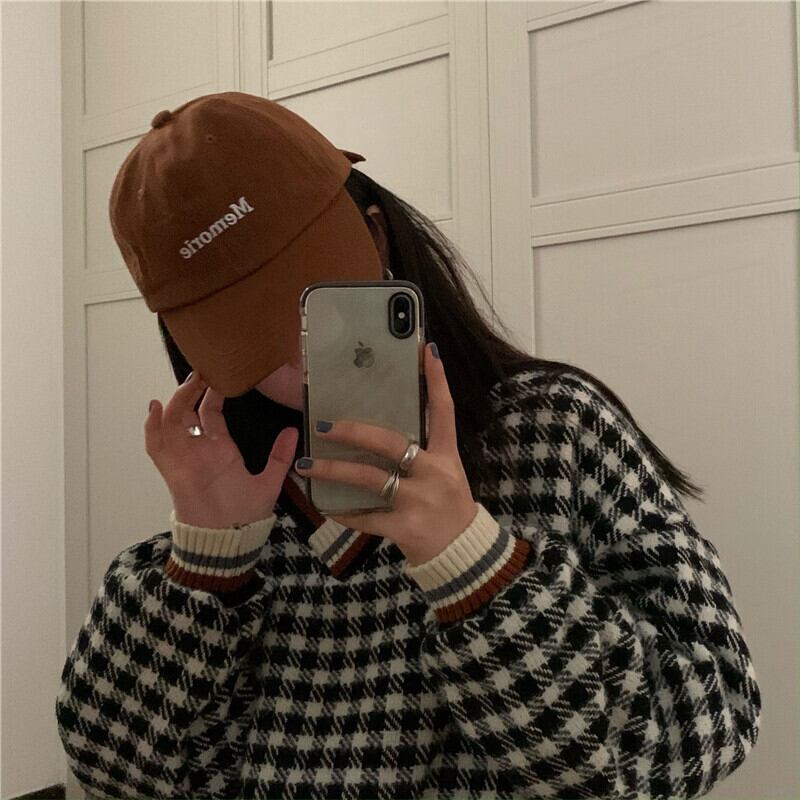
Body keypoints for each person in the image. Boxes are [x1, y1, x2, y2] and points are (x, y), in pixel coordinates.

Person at [55, 91, 761, 800]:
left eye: (309, 303)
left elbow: (713, 717)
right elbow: (116, 768)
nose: (294, 352)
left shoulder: (556, 429)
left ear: (377, 238)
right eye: (244, 333)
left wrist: (476, 566)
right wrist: (205, 567)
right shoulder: (236, 494)